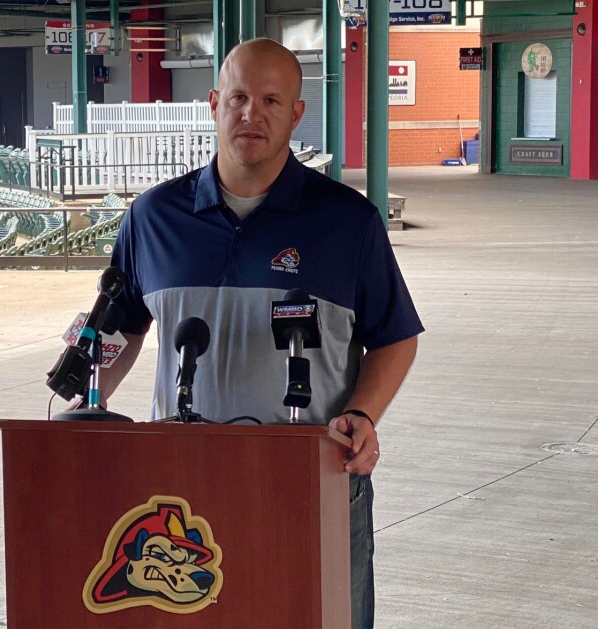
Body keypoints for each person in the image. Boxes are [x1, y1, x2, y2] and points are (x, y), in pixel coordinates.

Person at [99, 37, 423, 629]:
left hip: (313, 473)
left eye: (272, 100)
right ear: (215, 103)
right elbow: (117, 329)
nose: (253, 114)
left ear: (296, 114)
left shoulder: (346, 221)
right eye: (241, 97)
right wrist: (85, 401)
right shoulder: (153, 217)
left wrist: (365, 414)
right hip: (178, 484)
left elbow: (396, 334)